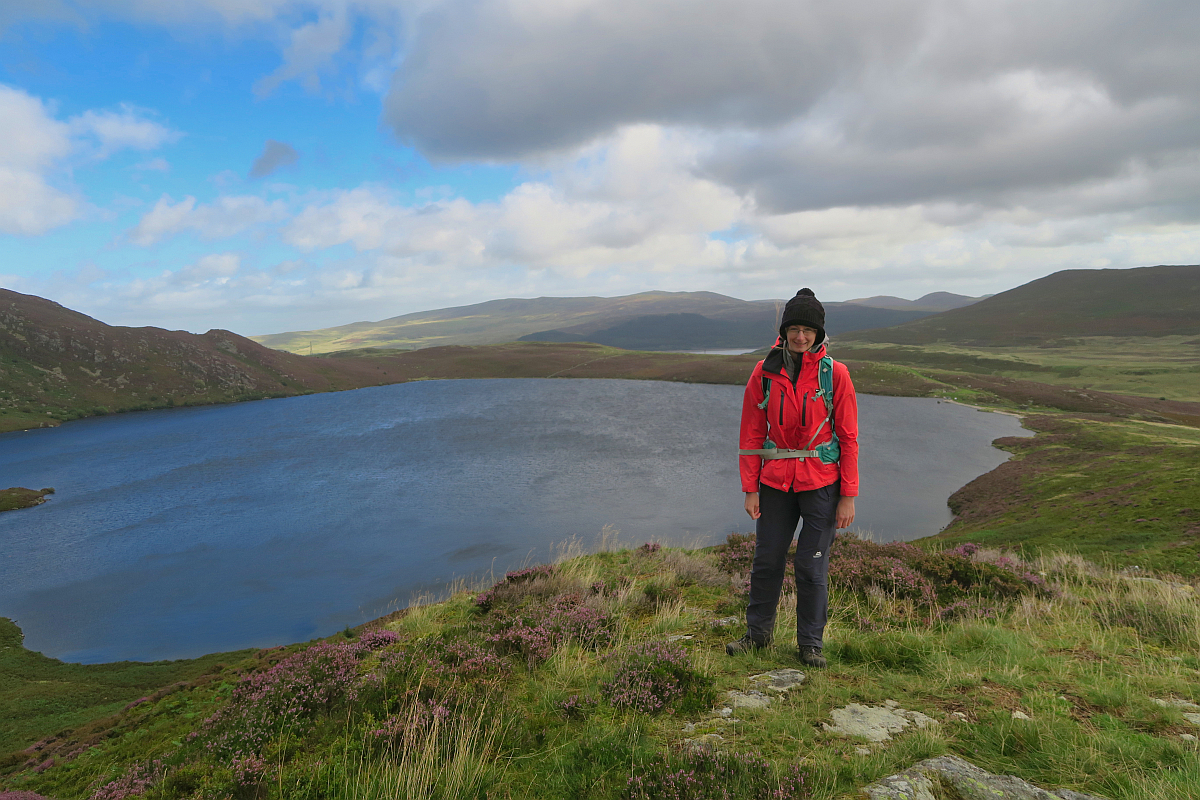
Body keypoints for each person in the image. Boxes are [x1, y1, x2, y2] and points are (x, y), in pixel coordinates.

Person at [727, 288, 859, 669]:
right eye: (794, 329)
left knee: (810, 565)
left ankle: (810, 645)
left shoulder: (836, 375)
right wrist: (750, 487)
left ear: (819, 334)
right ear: (784, 331)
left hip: (821, 483)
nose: (801, 337)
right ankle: (757, 636)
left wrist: (848, 495)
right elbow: (751, 434)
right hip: (775, 483)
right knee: (767, 560)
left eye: (808, 330)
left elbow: (848, 437)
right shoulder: (765, 371)